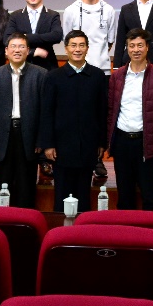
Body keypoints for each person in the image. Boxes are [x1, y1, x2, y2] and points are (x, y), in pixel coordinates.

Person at [105, 28, 153, 211]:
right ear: (127, 48)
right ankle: (125, 229)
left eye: (140, 45)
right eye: (132, 46)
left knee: (149, 195)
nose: (136, 50)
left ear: (147, 47)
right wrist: (109, 141)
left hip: (147, 143)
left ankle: (151, 229)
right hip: (122, 142)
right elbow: (111, 111)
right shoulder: (117, 76)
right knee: (124, 195)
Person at [40, 29, 109, 212]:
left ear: (87, 48)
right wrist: (48, 144)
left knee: (84, 195)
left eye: (81, 45)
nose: (77, 49)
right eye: (73, 45)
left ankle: (83, 228)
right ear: (66, 48)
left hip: (88, 145)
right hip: (61, 147)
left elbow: (102, 111)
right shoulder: (53, 76)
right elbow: (46, 112)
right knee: (61, 196)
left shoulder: (97, 76)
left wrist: (101, 142)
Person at [0, 33, 45, 207]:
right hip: (3, 137)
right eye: (13, 46)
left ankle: (26, 219)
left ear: (28, 51)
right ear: (6, 51)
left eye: (21, 47)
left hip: (28, 137)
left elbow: (44, 112)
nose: (17, 50)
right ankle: (3, 219)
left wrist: (40, 139)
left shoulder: (40, 74)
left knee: (26, 186)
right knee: (2, 186)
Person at [61, 0, 120, 72]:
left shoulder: (109, 10)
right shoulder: (70, 10)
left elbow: (110, 41)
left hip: (102, 69)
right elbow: (67, 40)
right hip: (76, 69)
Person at [4, 0, 62, 71]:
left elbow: (57, 36)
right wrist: (32, 51)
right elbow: (7, 39)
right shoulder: (15, 16)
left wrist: (26, 37)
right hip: (21, 65)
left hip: (47, 65)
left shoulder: (52, 15)